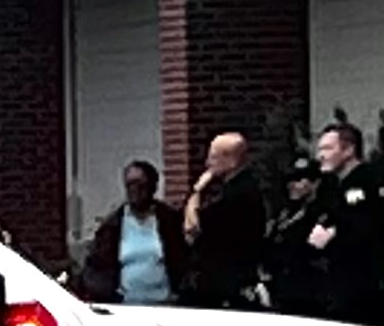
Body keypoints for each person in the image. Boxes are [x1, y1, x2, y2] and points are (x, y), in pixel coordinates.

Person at [270, 122, 384, 326]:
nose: (321, 155)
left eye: (328, 149)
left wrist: (334, 234)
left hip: (362, 286)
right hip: (336, 283)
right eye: (319, 149)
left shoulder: (365, 183)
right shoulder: (332, 187)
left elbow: (367, 229)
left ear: (348, 150)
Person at [178, 129, 270, 307]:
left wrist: (197, 191)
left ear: (232, 160)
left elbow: (192, 227)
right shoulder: (239, 189)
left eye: (213, 157)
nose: (207, 163)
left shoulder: (238, 195)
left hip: (227, 284)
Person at [73, 161, 180, 305]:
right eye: (129, 185)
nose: (135, 190)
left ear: (153, 186)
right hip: (126, 306)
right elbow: (97, 267)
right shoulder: (112, 226)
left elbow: (182, 260)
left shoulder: (169, 220)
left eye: (140, 184)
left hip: (166, 304)